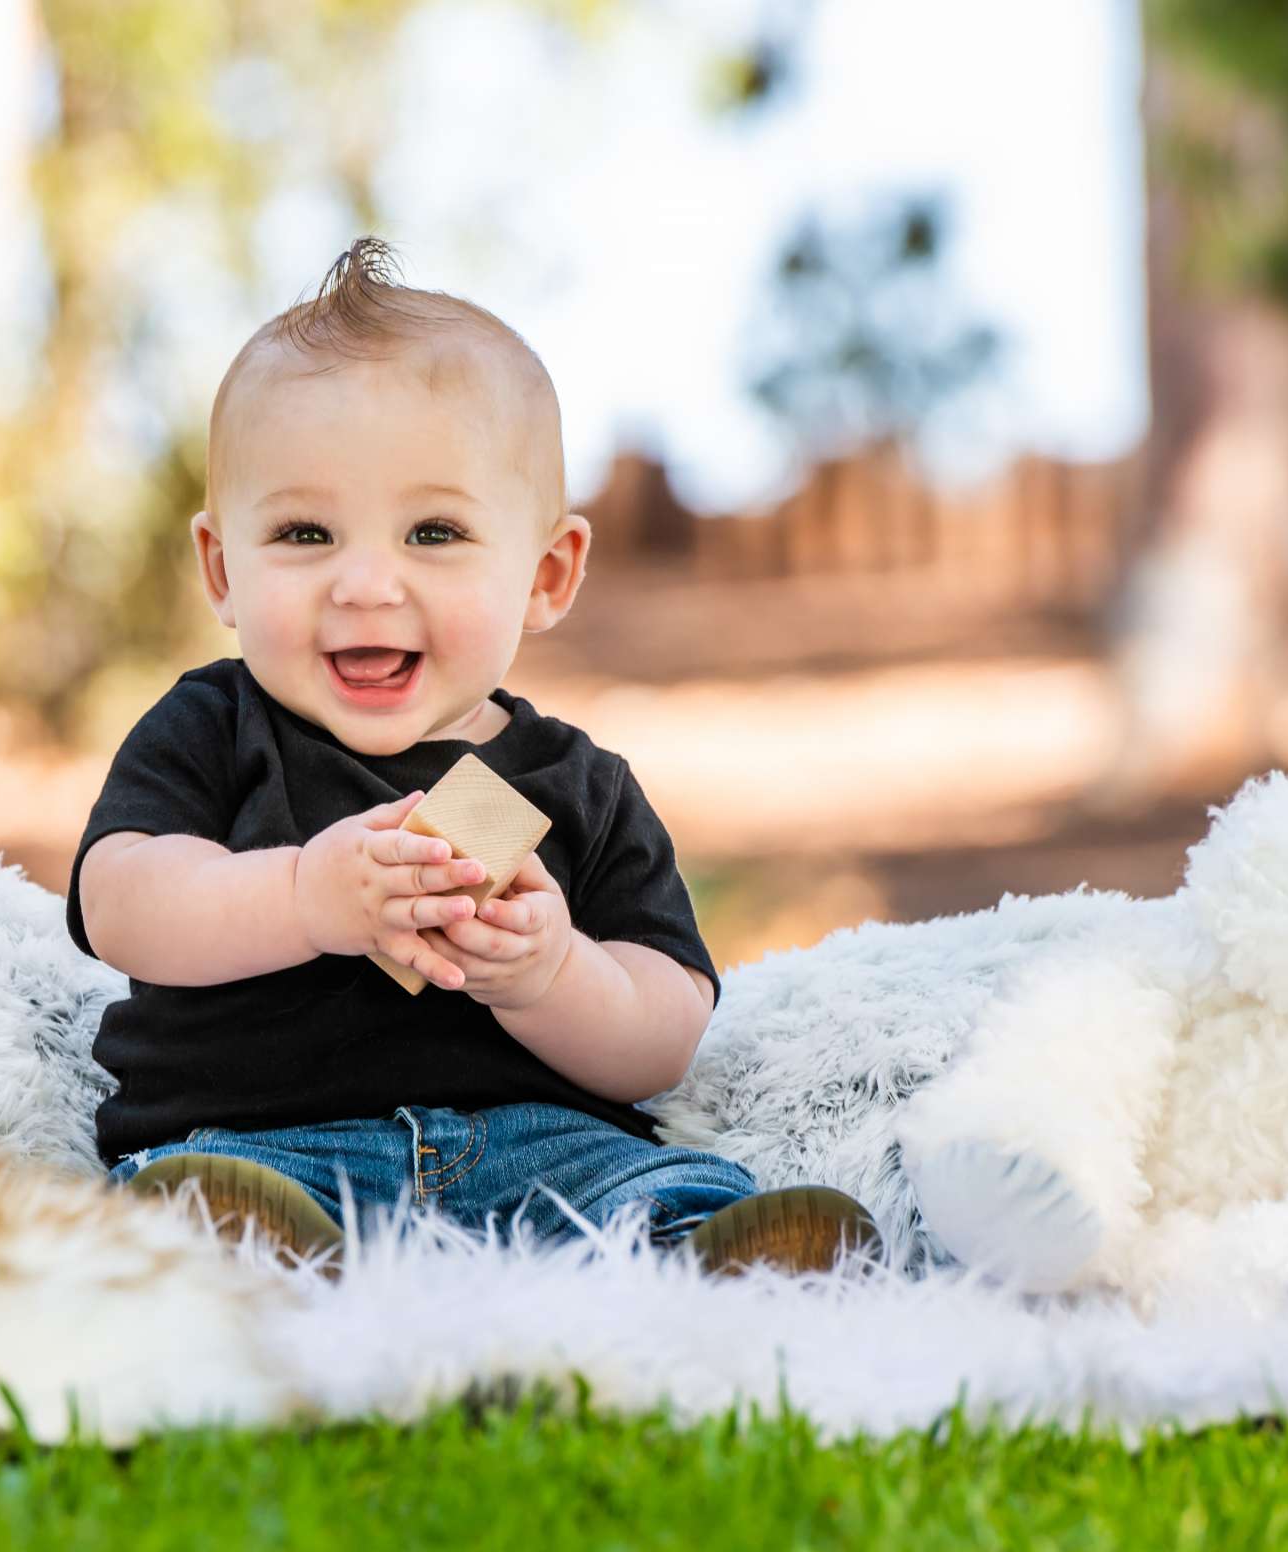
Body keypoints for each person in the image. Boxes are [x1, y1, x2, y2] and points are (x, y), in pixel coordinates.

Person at [66, 237, 876, 1277]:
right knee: (197, 1200)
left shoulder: (577, 784)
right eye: (306, 535)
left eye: (434, 533)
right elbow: (121, 900)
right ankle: (249, 1260)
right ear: (222, 569)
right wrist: (308, 898)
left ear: (546, 574)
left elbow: (665, 1028)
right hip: (267, 1144)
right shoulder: (216, 724)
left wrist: (549, 971)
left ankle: (710, 1264)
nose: (364, 584)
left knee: (655, 1188)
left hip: (542, 1151)